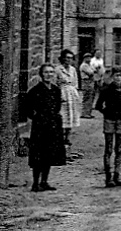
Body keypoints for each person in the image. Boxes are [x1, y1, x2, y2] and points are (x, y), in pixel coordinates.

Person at [25, 63, 66, 192]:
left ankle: (44, 181)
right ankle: (35, 183)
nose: (49, 75)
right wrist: (37, 117)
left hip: (53, 125)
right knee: (38, 154)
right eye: (46, 72)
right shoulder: (35, 91)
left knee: (49, 153)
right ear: (41, 74)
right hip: (40, 127)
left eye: (51, 72)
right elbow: (27, 109)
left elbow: (58, 106)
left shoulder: (56, 90)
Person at [95, 67, 121, 187]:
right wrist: (107, 113)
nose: (118, 78)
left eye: (120, 75)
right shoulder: (106, 90)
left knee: (119, 149)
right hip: (110, 120)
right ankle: (108, 177)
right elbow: (98, 105)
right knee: (109, 149)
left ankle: (117, 175)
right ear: (112, 77)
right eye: (116, 75)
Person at [55, 49, 81, 146]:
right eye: (67, 57)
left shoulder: (73, 69)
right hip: (62, 93)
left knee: (71, 115)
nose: (68, 60)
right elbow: (55, 83)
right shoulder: (58, 69)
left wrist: (75, 93)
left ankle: (68, 137)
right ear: (62, 58)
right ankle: (61, 136)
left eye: (70, 58)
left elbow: (75, 82)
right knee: (62, 115)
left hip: (72, 94)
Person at [79, 53, 97, 118]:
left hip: (91, 82)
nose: (89, 59)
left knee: (90, 98)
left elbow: (95, 70)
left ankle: (88, 112)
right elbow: (91, 73)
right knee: (86, 97)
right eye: (87, 58)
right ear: (84, 58)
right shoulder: (84, 65)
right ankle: (84, 113)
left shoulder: (89, 65)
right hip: (86, 82)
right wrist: (93, 71)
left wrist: (93, 71)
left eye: (90, 58)